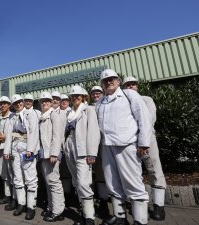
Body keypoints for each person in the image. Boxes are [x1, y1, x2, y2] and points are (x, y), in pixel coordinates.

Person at [96, 69, 152, 225]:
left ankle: (140, 220)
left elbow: (143, 118)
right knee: (112, 183)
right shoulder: (100, 102)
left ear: (118, 81)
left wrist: (144, 142)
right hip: (107, 146)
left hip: (126, 145)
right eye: (106, 80)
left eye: (112, 79)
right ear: (102, 84)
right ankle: (120, 217)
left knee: (133, 183)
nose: (109, 82)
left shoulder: (129, 95)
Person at [123, 76, 167, 221]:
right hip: (129, 141)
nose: (130, 87)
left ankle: (159, 206)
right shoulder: (123, 102)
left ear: (137, 86)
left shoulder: (146, 99)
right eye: (127, 85)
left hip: (147, 138)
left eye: (133, 84)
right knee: (132, 171)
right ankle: (136, 203)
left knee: (154, 168)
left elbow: (149, 120)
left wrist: (143, 141)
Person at [64, 85, 101, 225]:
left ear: (83, 96)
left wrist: (92, 153)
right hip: (69, 146)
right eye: (73, 96)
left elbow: (93, 132)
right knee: (76, 181)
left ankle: (89, 217)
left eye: (78, 95)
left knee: (83, 182)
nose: (75, 97)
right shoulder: (69, 112)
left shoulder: (89, 109)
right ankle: (83, 212)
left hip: (83, 149)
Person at [4, 94, 39, 220]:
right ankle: (21, 204)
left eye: (19, 102)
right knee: (18, 177)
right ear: (13, 105)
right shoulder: (12, 117)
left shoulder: (31, 114)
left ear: (22, 102)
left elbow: (34, 132)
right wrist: (7, 151)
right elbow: (9, 135)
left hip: (26, 149)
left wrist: (31, 149)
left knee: (30, 178)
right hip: (15, 148)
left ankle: (31, 207)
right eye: (15, 103)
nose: (18, 104)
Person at [38, 91, 65, 222]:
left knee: (54, 182)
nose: (44, 103)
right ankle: (51, 207)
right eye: (42, 101)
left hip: (52, 154)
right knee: (48, 182)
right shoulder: (42, 116)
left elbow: (57, 135)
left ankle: (58, 211)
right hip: (44, 154)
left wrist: (54, 152)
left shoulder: (54, 115)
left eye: (47, 101)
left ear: (50, 102)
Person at [89, 86, 110, 217]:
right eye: (93, 93)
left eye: (98, 93)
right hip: (95, 145)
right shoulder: (90, 108)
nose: (96, 95)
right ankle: (103, 201)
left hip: (109, 142)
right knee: (99, 172)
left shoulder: (108, 103)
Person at [0, 96, 15, 206]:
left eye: (5, 103)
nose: (3, 105)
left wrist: (6, 137)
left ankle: (14, 197)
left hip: (11, 149)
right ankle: (7, 196)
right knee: (3, 173)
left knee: (12, 173)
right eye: (1, 103)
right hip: (0, 148)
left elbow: (17, 133)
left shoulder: (13, 117)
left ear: (9, 105)